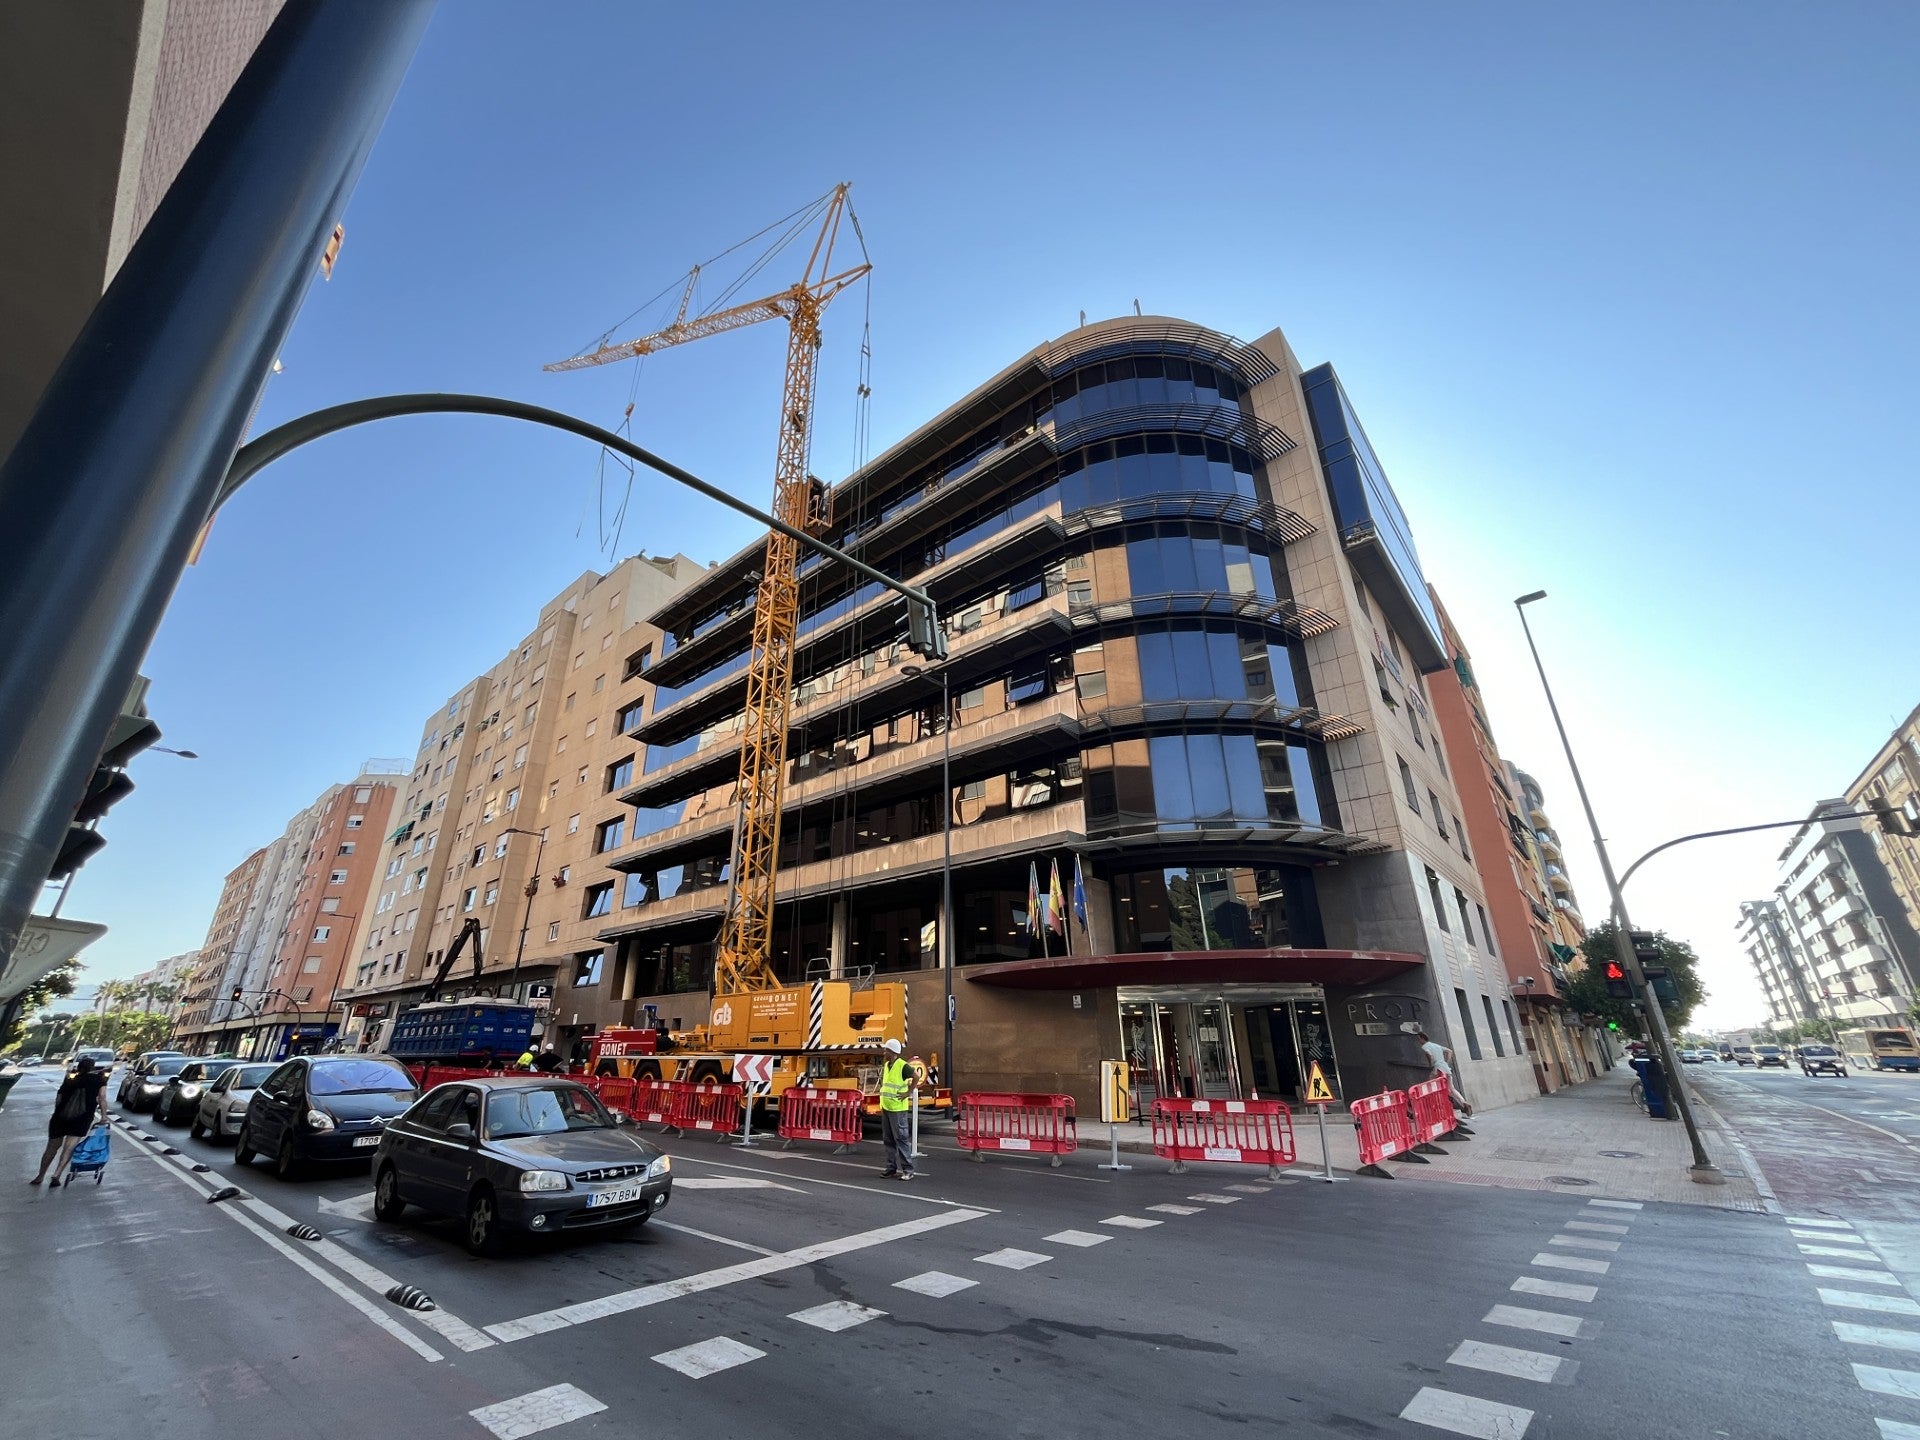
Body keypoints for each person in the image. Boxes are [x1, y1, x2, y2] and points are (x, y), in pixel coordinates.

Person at [31, 1056, 110, 1187]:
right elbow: (102, 1098)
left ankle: (40, 1176)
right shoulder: (99, 1080)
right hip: (82, 1117)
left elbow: (59, 1098)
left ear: (79, 1068)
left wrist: (59, 1112)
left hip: (60, 1117)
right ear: (92, 1067)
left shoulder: (70, 1079)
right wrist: (104, 1116)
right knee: (69, 1147)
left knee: (51, 1148)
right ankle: (56, 1175)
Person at [877, 1038, 916, 1181]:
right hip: (887, 1107)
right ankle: (891, 1168)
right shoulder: (887, 1065)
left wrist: (908, 1093)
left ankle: (908, 1170)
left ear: (892, 1052)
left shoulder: (902, 1066)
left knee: (901, 1139)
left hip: (897, 1109)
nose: (884, 1052)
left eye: (886, 1050)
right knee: (888, 1140)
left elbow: (915, 1076)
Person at [1413, 1028, 1473, 1116]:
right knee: (1451, 1089)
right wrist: (1447, 1062)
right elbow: (1449, 1051)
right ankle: (1464, 1104)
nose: (1419, 1041)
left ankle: (1436, 1105)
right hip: (1446, 1068)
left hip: (1438, 1069)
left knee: (1430, 1085)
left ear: (1422, 1038)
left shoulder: (1425, 1046)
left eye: (1419, 1039)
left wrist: (1430, 1063)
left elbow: (1428, 1054)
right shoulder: (1436, 1045)